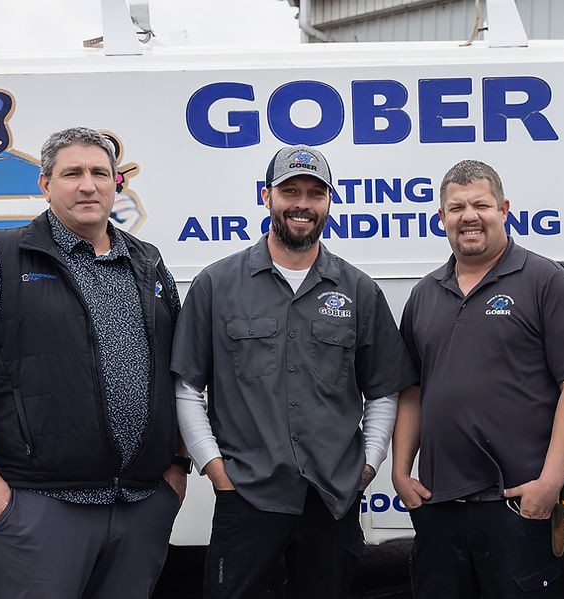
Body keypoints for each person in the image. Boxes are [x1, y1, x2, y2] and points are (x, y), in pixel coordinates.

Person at [0, 127, 187, 598]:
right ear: (46, 184)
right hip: (40, 504)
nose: (88, 185)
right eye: (72, 174)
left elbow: (178, 371)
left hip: (140, 502)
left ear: (116, 183)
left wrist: (176, 467)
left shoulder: (148, 263)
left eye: (100, 173)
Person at [171, 145, 416, 599]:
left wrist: (367, 465)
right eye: (290, 191)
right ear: (267, 196)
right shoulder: (216, 285)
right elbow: (186, 388)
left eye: (315, 193)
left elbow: (383, 390)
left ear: (329, 202)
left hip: (332, 500)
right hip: (247, 496)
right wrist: (215, 469)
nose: (302, 204)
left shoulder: (359, 290)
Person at [391, 160, 564, 598]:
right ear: (441, 217)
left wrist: (550, 481)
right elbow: (412, 390)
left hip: (517, 505)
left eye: (481, 205)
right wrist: (399, 471)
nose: (468, 216)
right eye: (456, 208)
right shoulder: (424, 294)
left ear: (504, 209)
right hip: (439, 506)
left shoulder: (544, 281)